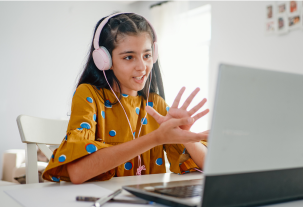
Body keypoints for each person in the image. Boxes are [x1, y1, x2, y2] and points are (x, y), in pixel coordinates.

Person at [42, 13, 209, 184]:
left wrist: (186, 136)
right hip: (100, 204)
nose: (142, 67)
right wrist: (156, 138)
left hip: (147, 203)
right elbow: (77, 172)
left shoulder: (155, 104)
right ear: (104, 60)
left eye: (147, 55)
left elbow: (209, 167)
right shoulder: (89, 95)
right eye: (129, 57)